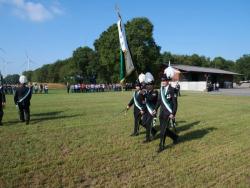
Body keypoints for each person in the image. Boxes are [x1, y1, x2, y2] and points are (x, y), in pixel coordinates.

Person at [153, 67, 179, 152]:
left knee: (163, 130)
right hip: (162, 113)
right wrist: (155, 109)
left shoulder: (172, 90)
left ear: (168, 81)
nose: (163, 82)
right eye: (162, 81)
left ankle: (161, 146)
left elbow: (175, 103)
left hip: (168, 113)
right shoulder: (161, 90)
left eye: (164, 81)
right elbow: (159, 101)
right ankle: (175, 137)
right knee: (163, 128)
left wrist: (173, 113)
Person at [142, 72, 158, 142]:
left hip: (152, 110)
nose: (148, 86)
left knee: (148, 124)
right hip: (146, 110)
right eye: (147, 84)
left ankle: (147, 138)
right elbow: (146, 102)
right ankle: (153, 131)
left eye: (149, 85)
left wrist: (145, 94)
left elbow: (151, 98)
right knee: (143, 123)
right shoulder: (147, 92)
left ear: (152, 85)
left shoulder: (155, 92)